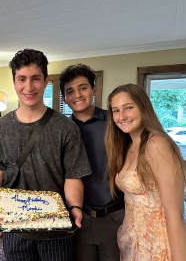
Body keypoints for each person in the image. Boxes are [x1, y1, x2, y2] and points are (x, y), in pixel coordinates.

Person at [0, 49, 92, 261]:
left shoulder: (66, 128)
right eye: (22, 79)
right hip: (14, 226)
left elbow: (73, 175)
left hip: (55, 226)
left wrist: (75, 207)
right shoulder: (0, 127)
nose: (29, 87)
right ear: (14, 81)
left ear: (45, 81)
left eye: (35, 79)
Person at [104, 83, 186, 261]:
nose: (121, 116)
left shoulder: (157, 144)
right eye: (116, 111)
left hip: (159, 243)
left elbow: (174, 215)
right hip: (133, 241)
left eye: (128, 108)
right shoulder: (129, 145)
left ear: (143, 108)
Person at [59, 64, 124, 261]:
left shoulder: (115, 122)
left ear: (94, 89)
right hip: (79, 217)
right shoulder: (61, 129)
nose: (77, 95)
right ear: (64, 98)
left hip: (115, 215)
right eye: (70, 91)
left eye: (83, 87)